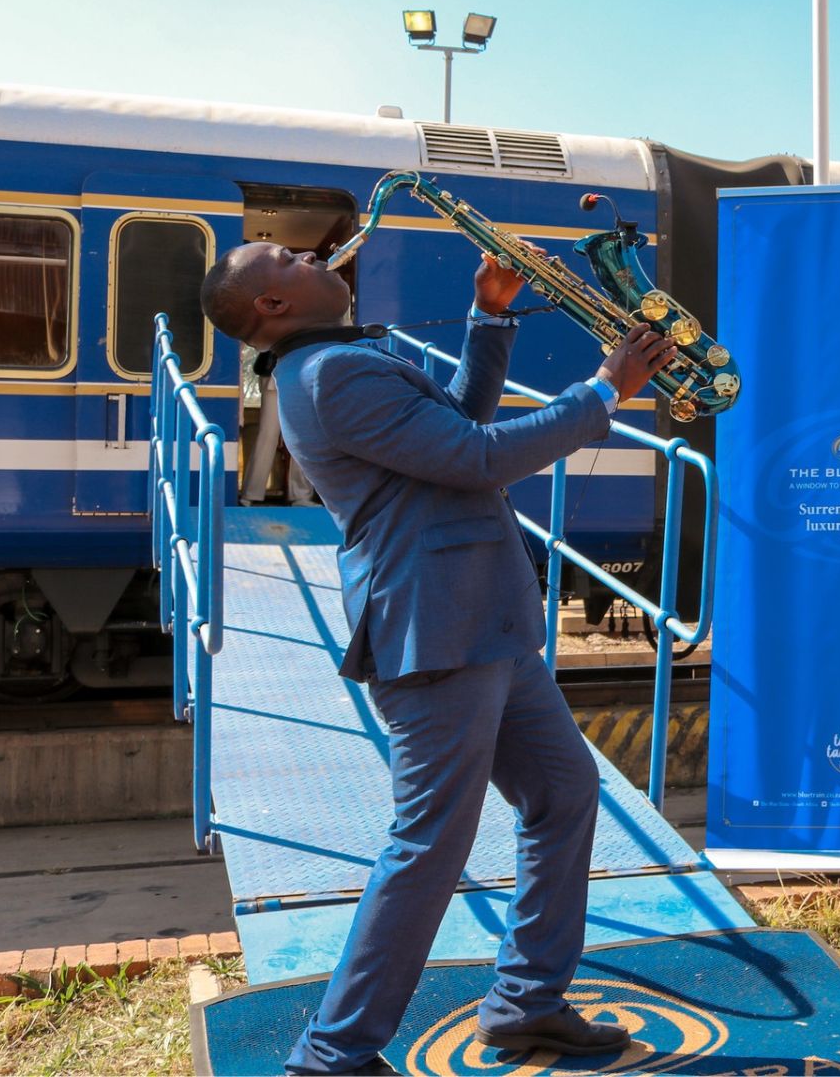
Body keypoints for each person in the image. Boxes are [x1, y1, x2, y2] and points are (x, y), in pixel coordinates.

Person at [198, 241, 677, 1075]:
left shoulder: (335, 364)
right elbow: (481, 458)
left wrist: (489, 318)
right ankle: (333, 1055)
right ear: (270, 307)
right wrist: (605, 391)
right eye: (285, 255)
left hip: (476, 618)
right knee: (428, 844)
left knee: (564, 792)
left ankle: (527, 1002)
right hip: (436, 627)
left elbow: (456, 430)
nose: (309, 251)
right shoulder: (331, 375)